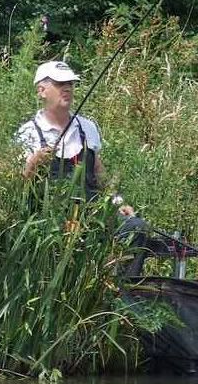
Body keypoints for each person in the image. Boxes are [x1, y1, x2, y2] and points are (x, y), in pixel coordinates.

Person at [14, 60, 154, 276]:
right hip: (52, 221)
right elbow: (18, 187)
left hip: (92, 214)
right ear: (41, 91)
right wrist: (33, 163)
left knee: (137, 227)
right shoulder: (28, 133)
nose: (67, 87)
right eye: (60, 83)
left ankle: (120, 288)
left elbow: (98, 173)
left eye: (70, 82)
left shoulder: (87, 127)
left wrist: (117, 202)